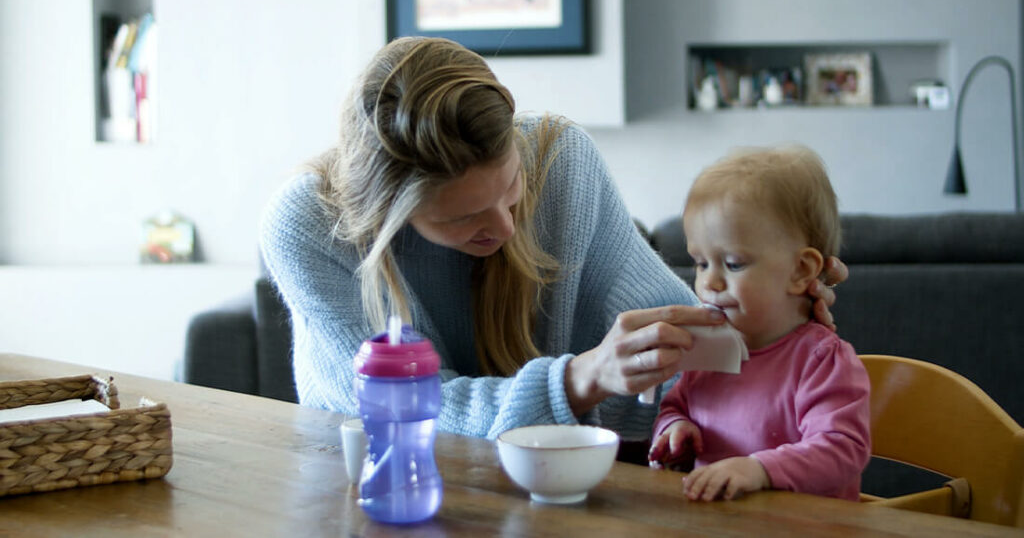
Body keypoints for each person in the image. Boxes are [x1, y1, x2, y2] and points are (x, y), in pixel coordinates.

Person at [259, 36, 847, 442]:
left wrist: (771, 319)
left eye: (509, 188)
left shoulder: (556, 160)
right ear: (386, 210)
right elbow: (406, 413)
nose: (506, 227)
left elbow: (682, 355)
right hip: (377, 495)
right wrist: (576, 380)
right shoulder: (309, 226)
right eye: (462, 219)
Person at [647, 145, 870, 501]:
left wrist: (758, 469)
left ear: (801, 270)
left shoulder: (821, 360)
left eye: (733, 264)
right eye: (701, 264)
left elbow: (842, 450)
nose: (711, 284)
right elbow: (675, 405)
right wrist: (675, 428)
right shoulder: (707, 350)